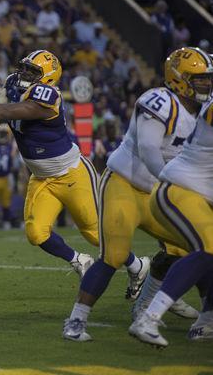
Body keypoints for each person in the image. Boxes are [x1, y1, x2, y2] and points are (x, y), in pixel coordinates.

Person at [62, 47, 207, 342]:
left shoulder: (205, 109)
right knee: (113, 256)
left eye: (209, 78)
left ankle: (145, 308)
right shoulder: (158, 101)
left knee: (188, 249)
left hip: (160, 190)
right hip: (126, 183)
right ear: (179, 78)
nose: (207, 84)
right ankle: (76, 320)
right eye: (200, 79)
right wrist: (176, 183)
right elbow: (150, 150)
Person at [0, 51, 98, 276]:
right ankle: (79, 260)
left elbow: (11, 111)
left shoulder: (48, 95)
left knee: (94, 233)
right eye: (25, 67)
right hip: (40, 176)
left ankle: (137, 265)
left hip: (71, 174)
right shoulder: (11, 84)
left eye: (33, 71)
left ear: (48, 76)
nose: (25, 73)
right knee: (36, 233)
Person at [130, 74, 213, 347]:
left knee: (208, 252)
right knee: (208, 248)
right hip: (179, 190)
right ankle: (148, 317)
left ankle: (205, 322)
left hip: (194, 193)